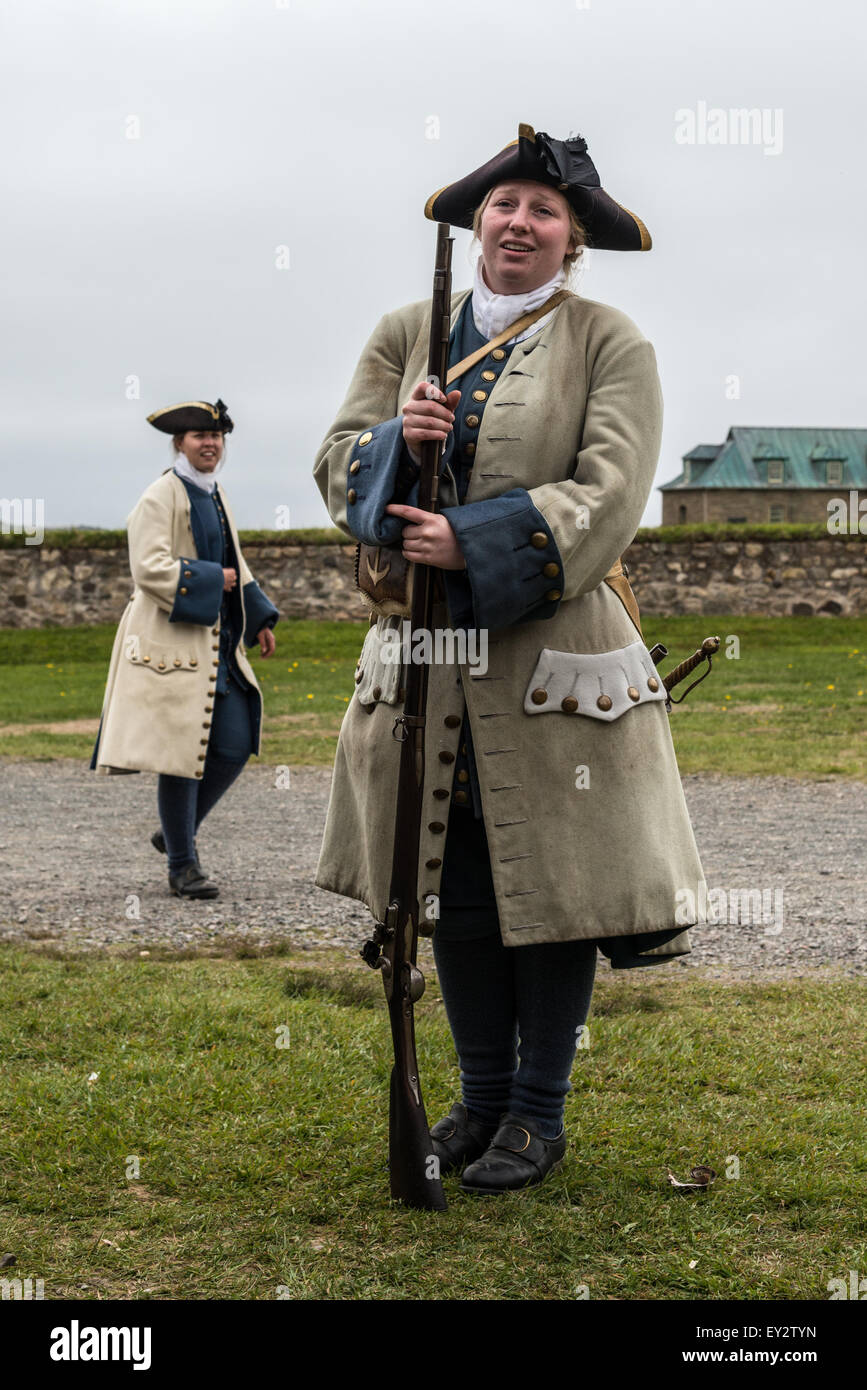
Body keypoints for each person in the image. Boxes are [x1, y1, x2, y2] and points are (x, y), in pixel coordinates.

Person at [313, 124, 706, 1194]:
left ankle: (537, 1112)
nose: (520, 222)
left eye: (544, 210)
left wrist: (473, 540)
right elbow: (337, 463)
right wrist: (402, 438)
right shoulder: (409, 331)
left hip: (556, 657)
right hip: (426, 657)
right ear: (476, 221)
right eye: (504, 205)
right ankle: (478, 1098)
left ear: (572, 237)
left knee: (554, 882)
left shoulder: (610, 342)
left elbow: (610, 493)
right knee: (456, 881)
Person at [90, 399, 279, 899]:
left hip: (217, 642)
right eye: (199, 436)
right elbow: (148, 568)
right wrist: (216, 579)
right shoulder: (160, 495)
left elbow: (236, 560)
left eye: (216, 437)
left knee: (234, 745)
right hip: (170, 640)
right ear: (180, 443)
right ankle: (182, 865)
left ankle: (176, 829)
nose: (209, 444)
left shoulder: (216, 493)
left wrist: (258, 615)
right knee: (181, 755)